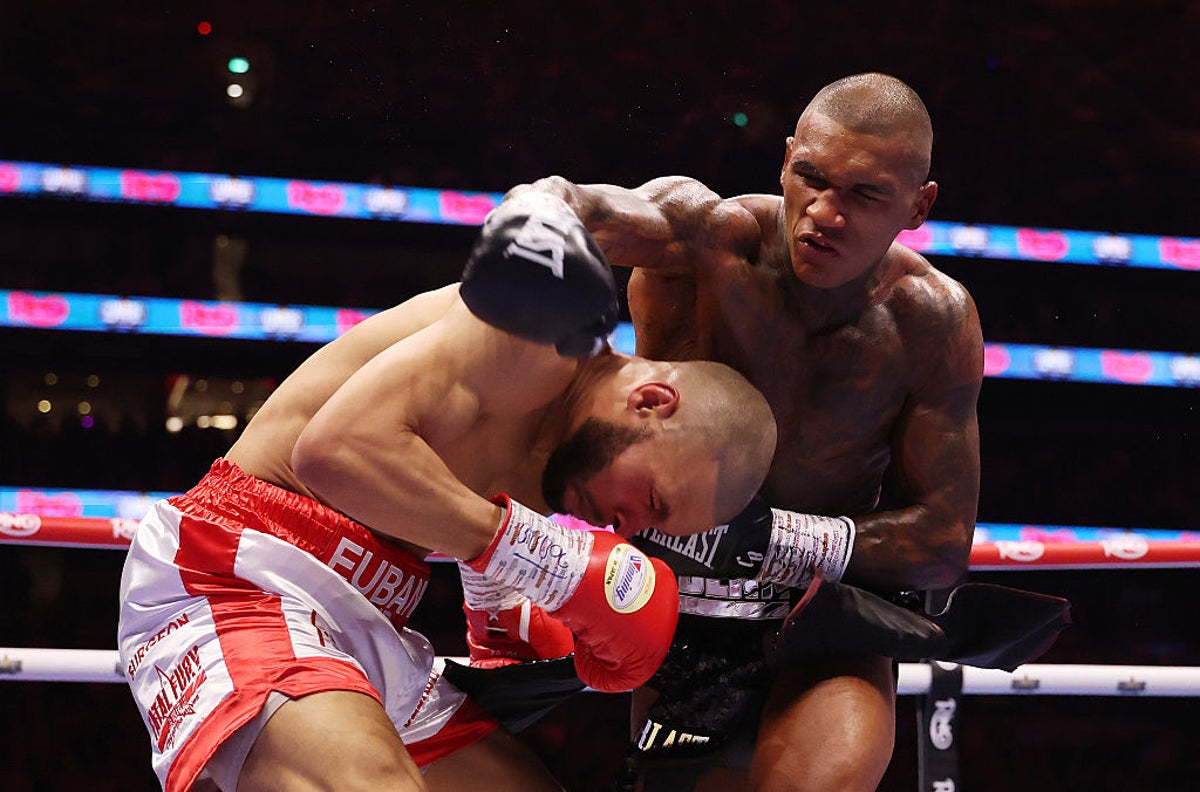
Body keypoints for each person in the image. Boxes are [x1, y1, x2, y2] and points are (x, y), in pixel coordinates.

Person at [115, 192, 778, 792]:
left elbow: (478, 548)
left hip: (369, 619)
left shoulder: (559, 478)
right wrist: (538, 558)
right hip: (238, 570)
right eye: (652, 501)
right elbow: (335, 452)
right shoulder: (537, 333)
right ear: (653, 401)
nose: (627, 524)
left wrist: (515, 612)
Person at [505, 72, 984, 791]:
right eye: (810, 177)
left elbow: (943, 542)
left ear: (920, 206)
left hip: (821, 624)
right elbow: (610, 213)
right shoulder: (710, 240)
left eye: (865, 194)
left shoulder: (930, 320)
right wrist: (547, 204)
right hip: (670, 608)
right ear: (786, 158)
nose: (824, 212)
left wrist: (759, 539)